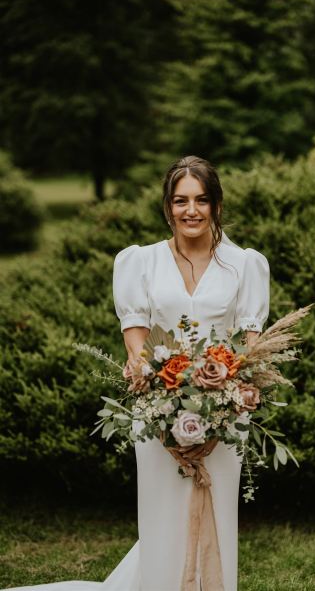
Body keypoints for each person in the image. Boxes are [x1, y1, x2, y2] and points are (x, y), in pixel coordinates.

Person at [3, 155, 269, 591]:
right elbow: (136, 340)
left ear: (217, 206)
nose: (191, 210)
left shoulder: (244, 264)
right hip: (158, 408)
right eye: (181, 200)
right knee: (164, 514)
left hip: (225, 409)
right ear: (167, 207)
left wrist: (224, 398)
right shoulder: (141, 262)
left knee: (217, 512)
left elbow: (249, 343)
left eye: (202, 200)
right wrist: (160, 387)